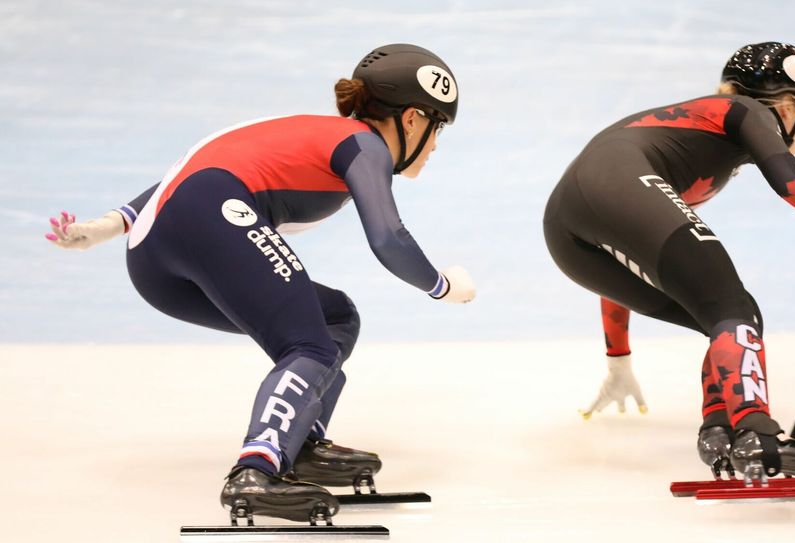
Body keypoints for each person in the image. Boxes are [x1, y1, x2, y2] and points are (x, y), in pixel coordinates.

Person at [46, 43, 475, 521]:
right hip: (208, 214)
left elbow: (193, 171)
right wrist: (442, 285)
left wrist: (109, 225)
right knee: (310, 345)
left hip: (152, 255)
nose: (434, 146)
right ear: (412, 118)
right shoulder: (363, 145)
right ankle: (257, 470)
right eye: (437, 130)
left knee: (334, 319)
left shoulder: (310, 131)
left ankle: (297, 442)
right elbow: (389, 239)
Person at [543, 42, 795, 480]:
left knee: (724, 313)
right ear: (785, 105)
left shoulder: (695, 142)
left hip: (566, 233)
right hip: (613, 185)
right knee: (732, 308)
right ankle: (757, 435)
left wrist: (619, 358)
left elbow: (626, 252)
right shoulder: (744, 110)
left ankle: (720, 429)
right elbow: (787, 178)